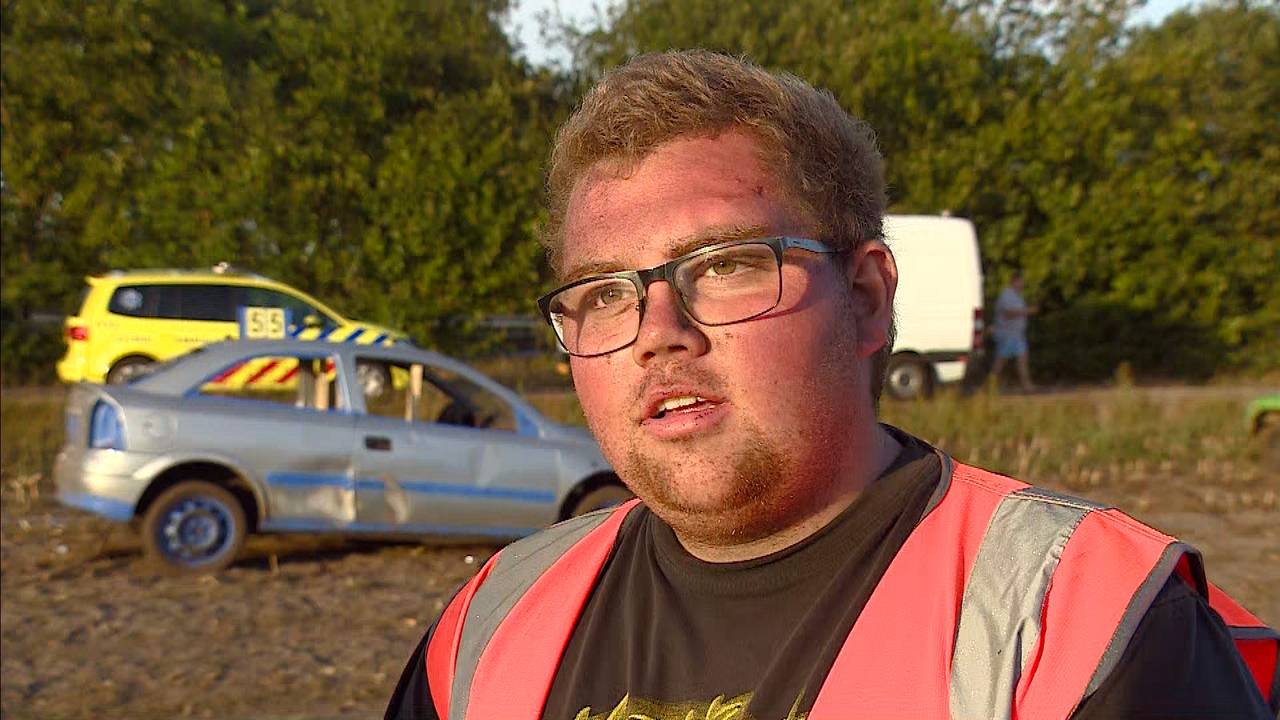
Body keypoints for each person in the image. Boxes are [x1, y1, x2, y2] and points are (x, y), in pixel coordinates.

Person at [386, 51, 1276, 720]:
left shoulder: (1082, 626)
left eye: (728, 264)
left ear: (866, 299)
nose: (659, 332)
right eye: (603, 292)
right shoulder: (486, 627)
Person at [989, 271, 1037, 392]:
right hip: (1006, 334)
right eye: (1020, 282)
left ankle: (1027, 386)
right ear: (1014, 281)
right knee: (1000, 362)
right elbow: (1008, 313)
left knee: (1023, 359)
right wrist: (1027, 311)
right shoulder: (1006, 295)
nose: (1022, 284)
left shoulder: (1018, 296)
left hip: (1017, 334)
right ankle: (990, 386)